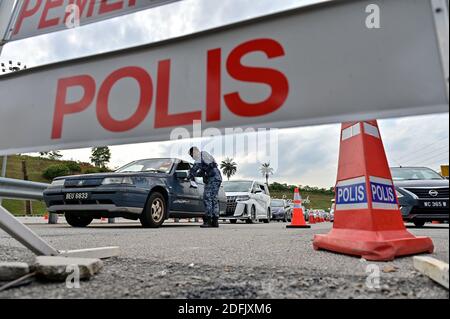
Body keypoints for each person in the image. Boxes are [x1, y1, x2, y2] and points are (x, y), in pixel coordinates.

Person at [188, 147, 223, 228]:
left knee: (207, 197)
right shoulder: (206, 157)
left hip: (213, 178)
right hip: (216, 177)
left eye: (192, 155)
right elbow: (202, 171)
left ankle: (208, 220)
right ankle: (215, 221)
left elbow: (196, 166)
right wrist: (194, 174)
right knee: (213, 198)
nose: (192, 157)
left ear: (194, 152)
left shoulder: (201, 154)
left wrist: (190, 174)